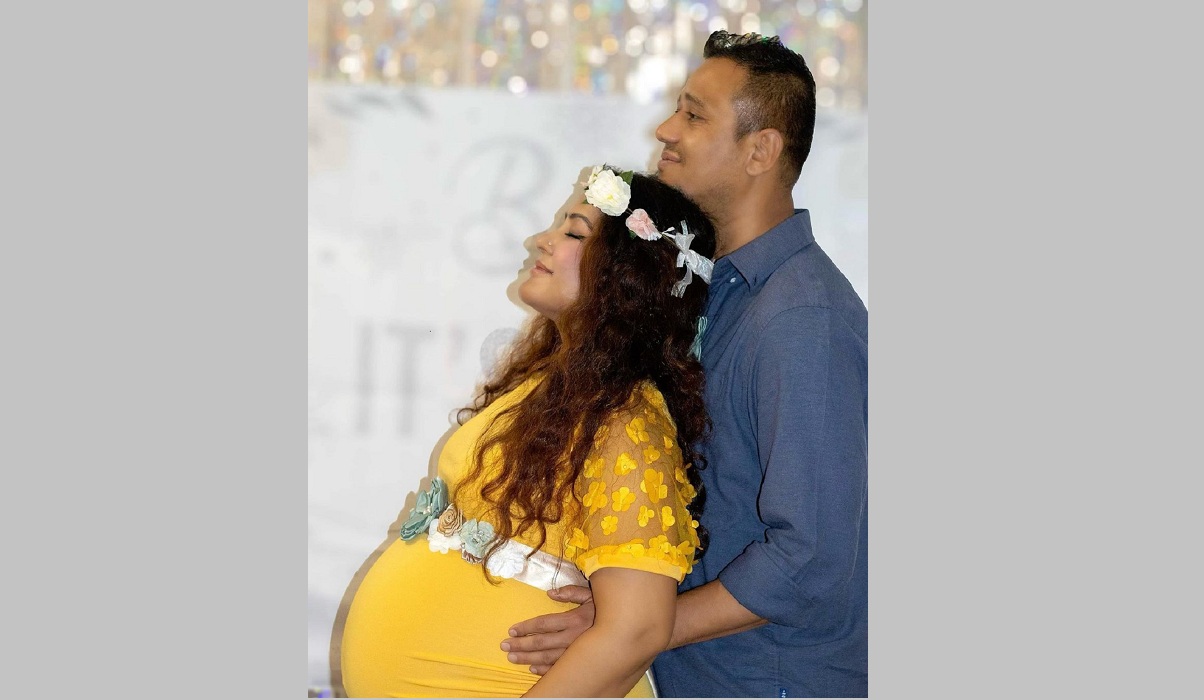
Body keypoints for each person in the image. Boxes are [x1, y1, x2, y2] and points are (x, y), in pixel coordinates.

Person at [502, 31, 869, 698]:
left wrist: (634, 626)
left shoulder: (803, 318)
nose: (666, 130)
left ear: (760, 151)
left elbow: (810, 558)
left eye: (694, 115)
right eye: (677, 109)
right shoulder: (709, 291)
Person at [337, 166, 719, 698]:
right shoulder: (552, 382)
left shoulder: (626, 421)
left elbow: (638, 628)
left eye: (574, 232)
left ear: (628, 274)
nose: (541, 239)